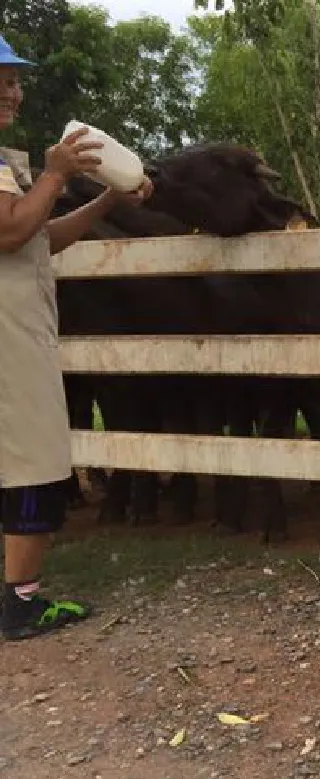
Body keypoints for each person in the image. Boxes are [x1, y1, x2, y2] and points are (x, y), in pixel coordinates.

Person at [0, 32, 154, 641]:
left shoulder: (6, 161)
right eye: (3, 79)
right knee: (34, 467)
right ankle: (21, 603)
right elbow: (11, 233)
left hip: (19, 333)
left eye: (14, 79)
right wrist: (57, 172)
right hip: (9, 343)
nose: (13, 89)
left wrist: (110, 196)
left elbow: (41, 236)